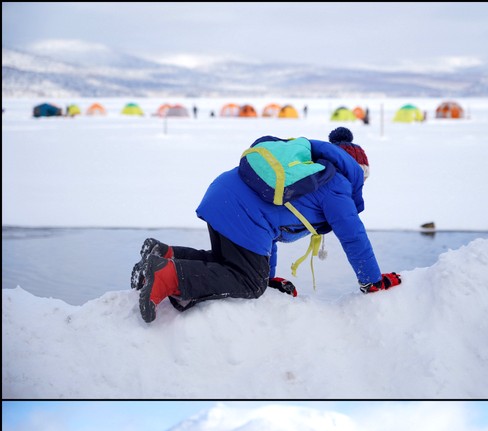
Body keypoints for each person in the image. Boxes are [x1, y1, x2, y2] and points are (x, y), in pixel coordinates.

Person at [131, 126, 402, 323]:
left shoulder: (307, 169)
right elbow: (354, 236)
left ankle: (166, 254)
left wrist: (269, 277)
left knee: (228, 262)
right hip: (241, 211)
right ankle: (167, 276)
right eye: (365, 177)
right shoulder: (336, 185)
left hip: (223, 193)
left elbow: (273, 224)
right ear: (359, 171)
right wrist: (372, 281)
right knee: (249, 282)